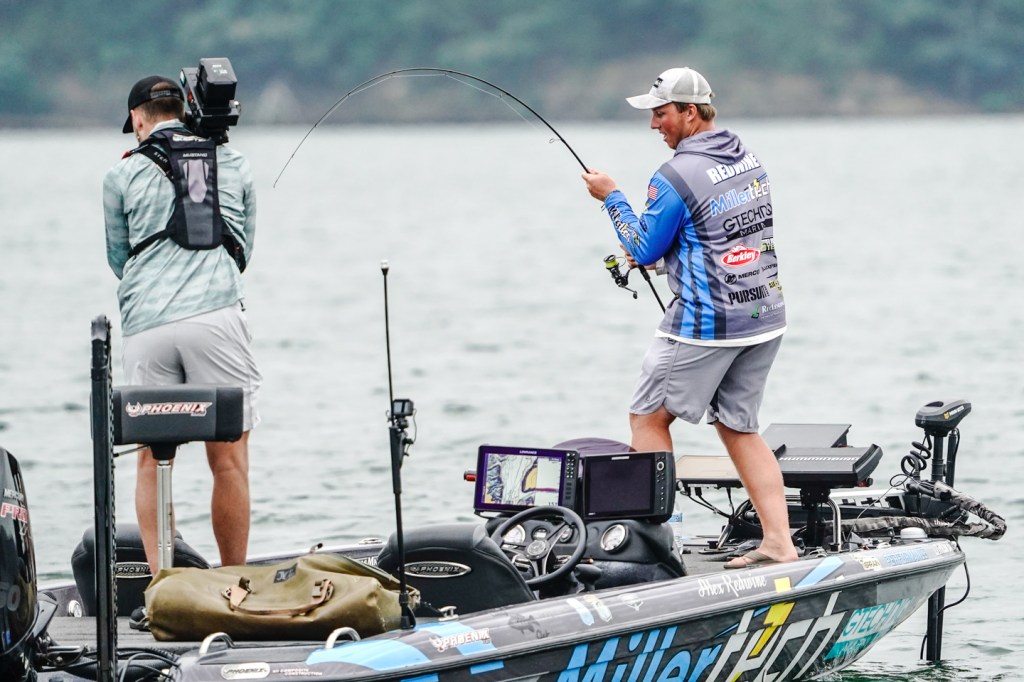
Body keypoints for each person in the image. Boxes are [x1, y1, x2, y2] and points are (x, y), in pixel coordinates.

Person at [581, 67, 797, 568]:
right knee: (739, 427)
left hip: (707, 322)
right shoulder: (746, 158)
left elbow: (642, 247)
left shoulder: (674, 176)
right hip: (763, 314)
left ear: (691, 112)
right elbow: (720, 232)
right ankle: (779, 543)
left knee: (648, 418)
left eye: (661, 113)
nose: (654, 124)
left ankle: (653, 550)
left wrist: (612, 198)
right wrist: (668, 257)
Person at [103, 74, 262, 576]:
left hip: (147, 325)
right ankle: (234, 581)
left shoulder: (121, 175)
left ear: (137, 119)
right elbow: (243, 250)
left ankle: (163, 587)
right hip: (215, 318)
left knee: (151, 459)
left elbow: (119, 259)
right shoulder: (232, 162)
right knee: (229, 458)